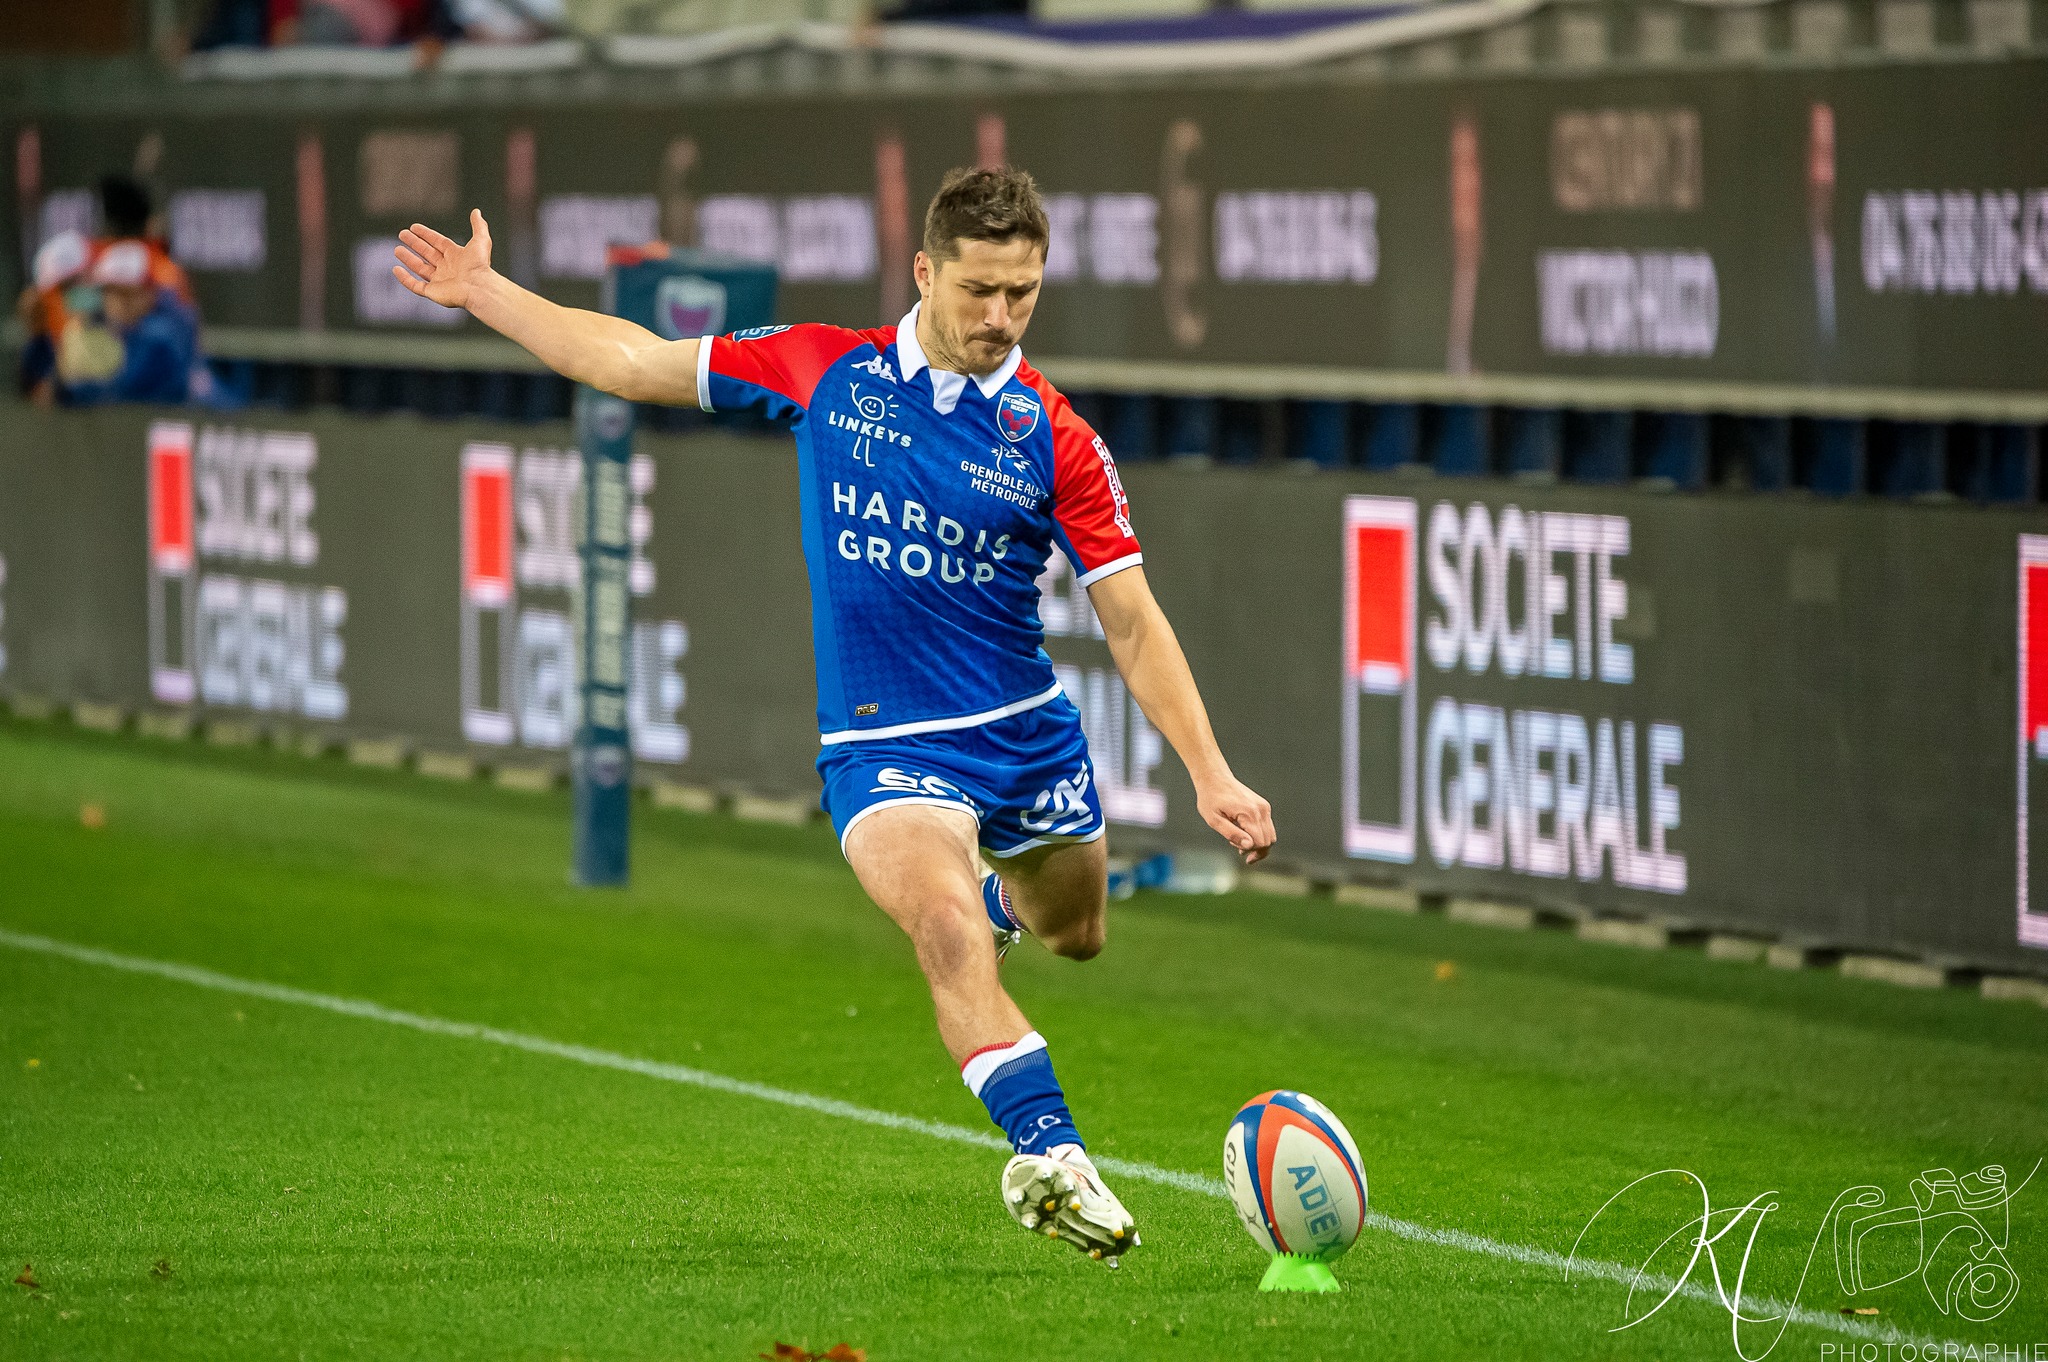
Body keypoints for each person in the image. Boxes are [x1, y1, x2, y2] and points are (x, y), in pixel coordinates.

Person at [390, 167, 1277, 1267]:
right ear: (925, 272)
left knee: (1075, 934)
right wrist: (487, 293)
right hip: (882, 745)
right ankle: (1052, 1156)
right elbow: (629, 359)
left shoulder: (1057, 439)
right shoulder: (826, 368)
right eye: (981, 291)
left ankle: (1001, 906)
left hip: (1024, 737)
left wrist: (1209, 771)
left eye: (1024, 294)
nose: (1002, 318)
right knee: (943, 929)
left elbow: (1131, 622)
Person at [62, 241, 202, 407]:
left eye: (127, 294)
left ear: (149, 294)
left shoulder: (158, 336)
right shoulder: (118, 329)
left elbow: (121, 393)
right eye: (110, 292)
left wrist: (68, 392)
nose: (118, 303)